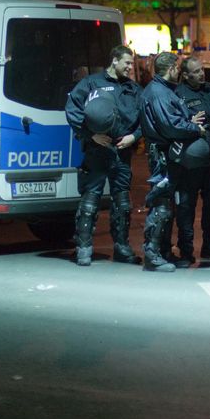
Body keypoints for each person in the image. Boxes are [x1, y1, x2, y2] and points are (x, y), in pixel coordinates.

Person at [64, 45, 143, 267]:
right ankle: (84, 247)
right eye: (127, 63)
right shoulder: (91, 83)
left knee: (123, 203)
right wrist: (91, 136)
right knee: (90, 201)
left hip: (122, 151)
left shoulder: (133, 89)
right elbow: (72, 109)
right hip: (97, 151)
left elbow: (145, 119)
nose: (130, 67)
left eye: (131, 63)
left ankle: (122, 246)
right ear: (114, 60)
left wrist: (134, 137)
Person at [139, 51, 210, 273]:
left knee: (167, 203)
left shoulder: (164, 90)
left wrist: (186, 119)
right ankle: (152, 253)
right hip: (163, 156)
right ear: (170, 69)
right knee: (161, 205)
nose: (179, 71)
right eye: (178, 68)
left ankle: (162, 250)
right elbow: (170, 126)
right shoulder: (159, 92)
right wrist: (194, 128)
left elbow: (173, 119)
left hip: (169, 153)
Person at [172, 56, 210, 266]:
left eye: (202, 69)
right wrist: (187, 122)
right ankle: (186, 250)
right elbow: (172, 123)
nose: (201, 74)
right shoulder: (178, 93)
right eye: (196, 71)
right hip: (189, 161)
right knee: (187, 205)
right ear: (186, 75)